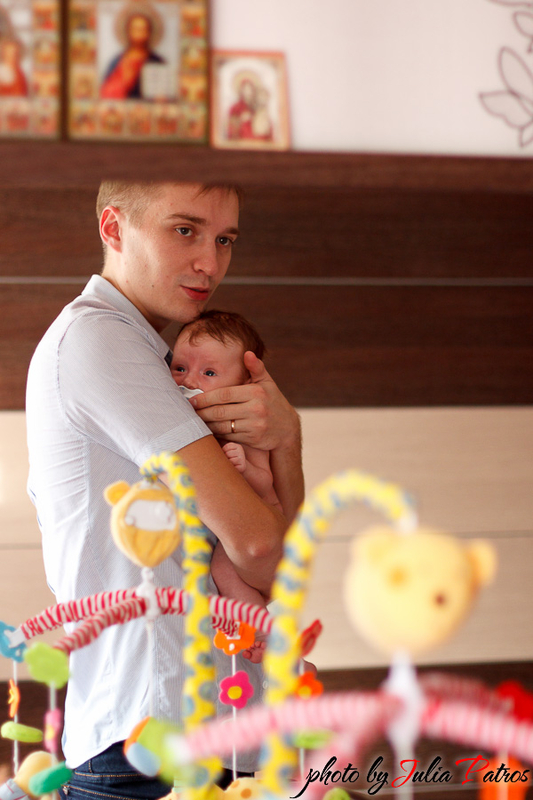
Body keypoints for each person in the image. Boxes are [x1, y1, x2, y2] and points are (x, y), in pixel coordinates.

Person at [25, 181, 304, 799]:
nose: (210, 263)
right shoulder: (102, 342)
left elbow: (274, 562)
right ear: (114, 228)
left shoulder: (165, 361)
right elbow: (262, 547)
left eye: (224, 239)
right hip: (150, 740)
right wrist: (286, 444)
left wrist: (285, 440)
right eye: (185, 231)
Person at [171, 310, 281, 663]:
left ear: (243, 383)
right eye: (179, 368)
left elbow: (266, 482)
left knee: (223, 570)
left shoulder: (245, 428)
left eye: (209, 373)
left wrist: (244, 466)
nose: (189, 380)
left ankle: (263, 631)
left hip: (259, 513)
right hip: (218, 524)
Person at [100, 10, 165, 100]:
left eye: (143, 29)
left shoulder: (157, 62)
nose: (139, 34)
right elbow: (105, 93)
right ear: (128, 32)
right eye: (135, 29)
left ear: (149, 33)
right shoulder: (116, 61)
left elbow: (162, 94)